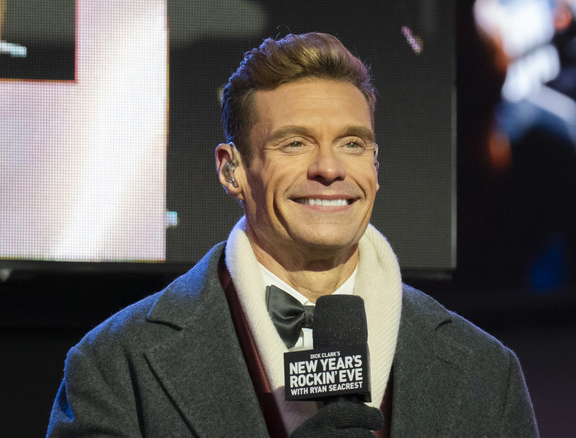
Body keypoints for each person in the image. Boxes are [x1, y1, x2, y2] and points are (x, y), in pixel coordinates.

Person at [47, 32, 539, 437]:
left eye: (352, 143)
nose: (328, 168)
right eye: (295, 143)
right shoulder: (115, 364)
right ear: (232, 170)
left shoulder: (485, 371)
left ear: (374, 166)